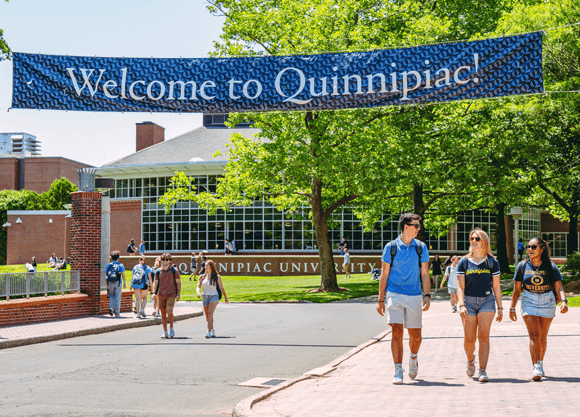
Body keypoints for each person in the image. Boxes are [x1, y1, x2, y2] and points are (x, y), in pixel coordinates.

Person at [376, 213, 430, 385]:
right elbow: (384, 274)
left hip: (414, 295)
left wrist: (427, 295)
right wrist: (380, 299)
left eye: (419, 225)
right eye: (416, 225)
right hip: (394, 294)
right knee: (396, 332)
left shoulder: (420, 247)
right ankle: (398, 369)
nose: (419, 228)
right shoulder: (390, 247)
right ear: (406, 226)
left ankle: (413, 358)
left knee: (416, 336)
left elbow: (425, 273)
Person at [509, 237, 569, 381]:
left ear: (541, 249)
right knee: (534, 335)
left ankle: (540, 362)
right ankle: (536, 366)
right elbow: (516, 290)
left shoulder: (550, 266)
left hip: (547, 300)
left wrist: (564, 301)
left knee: (542, 336)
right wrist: (512, 308)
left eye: (533, 247)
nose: (530, 249)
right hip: (529, 299)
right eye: (528, 247)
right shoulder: (522, 266)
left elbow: (558, 286)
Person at [456, 228, 503, 383]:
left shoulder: (492, 262)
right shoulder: (464, 262)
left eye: (477, 239)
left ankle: (483, 370)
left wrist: (500, 307)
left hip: (486, 301)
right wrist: (461, 304)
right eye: (472, 238)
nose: (474, 241)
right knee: (469, 338)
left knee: (484, 337)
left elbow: (496, 286)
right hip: (468, 302)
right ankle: (470, 360)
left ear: (484, 242)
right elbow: (460, 286)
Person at [197, 259, 229, 338]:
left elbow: (221, 288)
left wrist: (225, 297)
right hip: (205, 296)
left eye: (207, 266)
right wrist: (198, 292)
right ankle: (212, 329)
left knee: (210, 313)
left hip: (214, 296)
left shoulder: (217, 277)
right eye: (205, 266)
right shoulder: (201, 276)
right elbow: (198, 286)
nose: (206, 267)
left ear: (211, 267)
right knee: (207, 315)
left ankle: (208, 331)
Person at [153, 253, 181, 338]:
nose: (165, 262)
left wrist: (178, 294)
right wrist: (154, 293)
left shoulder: (174, 270)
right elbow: (156, 283)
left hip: (171, 294)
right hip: (161, 294)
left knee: (169, 311)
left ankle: (171, 328)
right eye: (163, 260)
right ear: (161, 260)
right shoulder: (158, 271)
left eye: (167, 260)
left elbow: (178, 283)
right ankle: (165, 331)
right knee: (163, 313)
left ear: (170, 261)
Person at [105, 251, 126, 318]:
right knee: (117, 298)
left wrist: (107, 284)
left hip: (110, 282)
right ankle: (117, 313)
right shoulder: (120, 265)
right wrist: (124, 283)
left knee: (111, 296)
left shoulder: (109, 265)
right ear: (118, 257)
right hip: (118, 283)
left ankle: (111, 307)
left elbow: (106, 275)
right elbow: (123, 274)